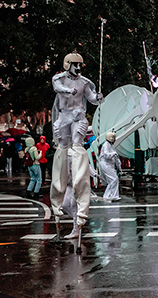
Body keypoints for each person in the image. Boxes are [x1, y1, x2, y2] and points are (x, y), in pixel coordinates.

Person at [51, 52, 102, 231]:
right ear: (68, 64)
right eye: (75, 64)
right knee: (64, 147)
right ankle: (74, 223)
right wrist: (67, 90)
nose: (78, 68)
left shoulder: (84, 82)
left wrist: (98, 98)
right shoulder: (59, 79)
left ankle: (78, 223)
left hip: (78, 116)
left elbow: (91, 97)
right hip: (64, 117)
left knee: (77, 145)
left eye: (80, 65)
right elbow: (57, 87)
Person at [99, 132, 121, 202]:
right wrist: (113, 154)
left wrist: (118, 164)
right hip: (106, 164)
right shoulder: (106, 145)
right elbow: (106, 155)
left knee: (113, 180)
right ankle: (109, 195)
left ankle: (111, 195)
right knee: (114, 179)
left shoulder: (110, 145)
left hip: (108, 164)